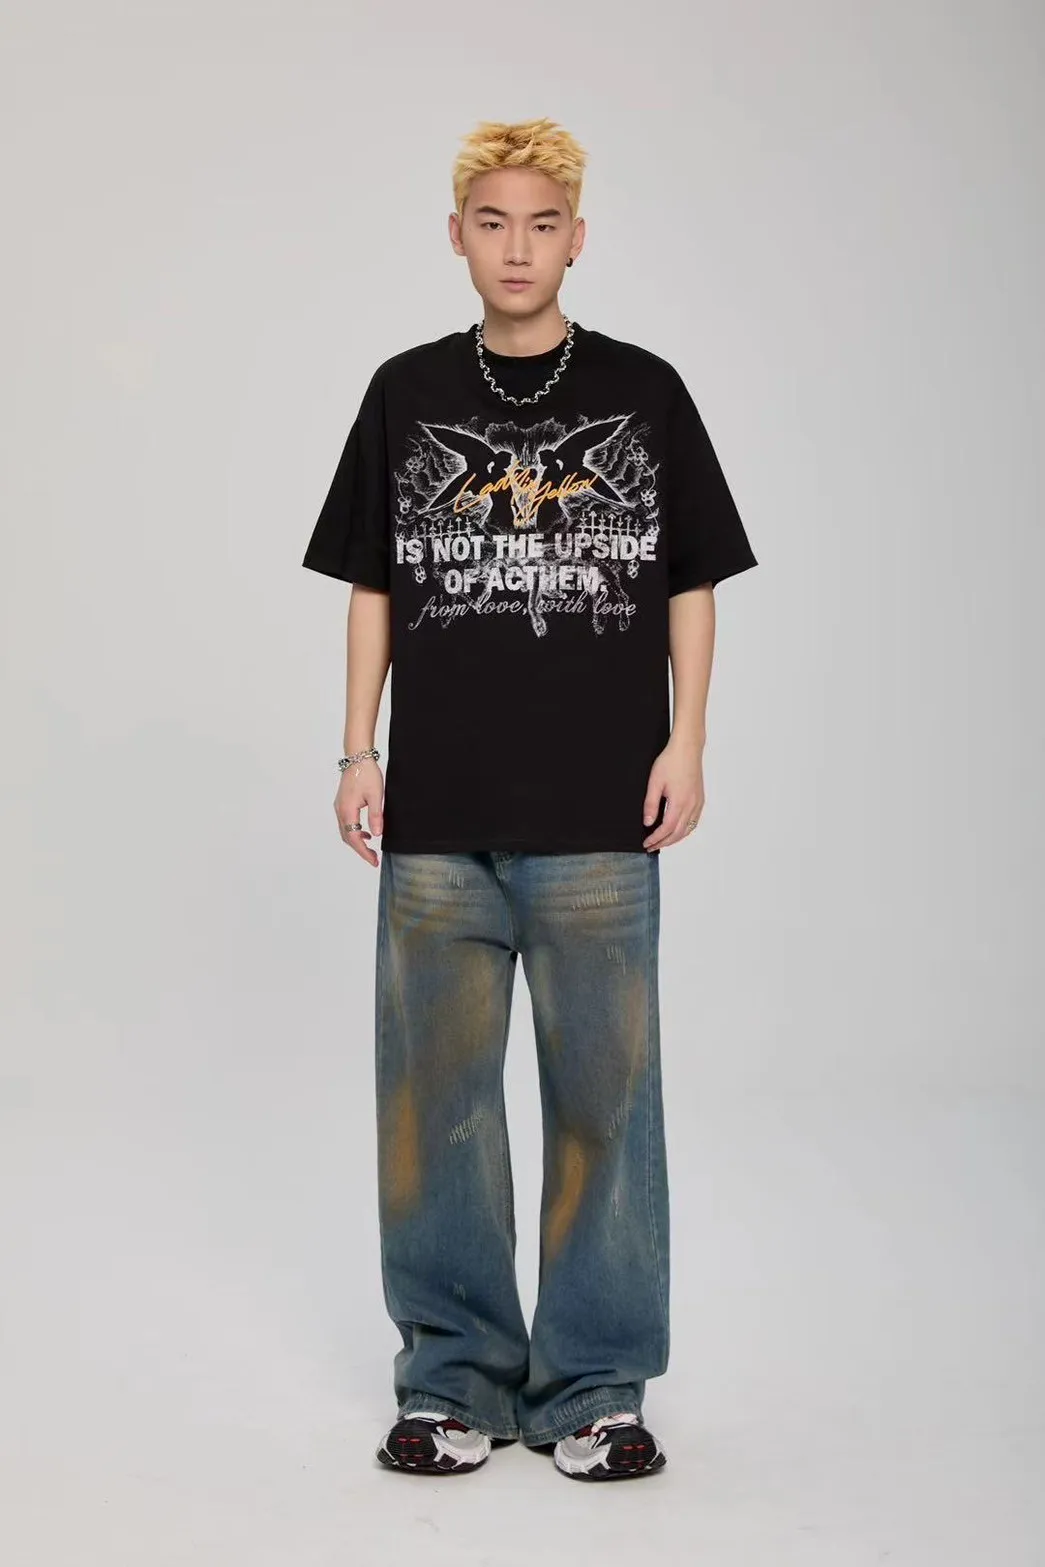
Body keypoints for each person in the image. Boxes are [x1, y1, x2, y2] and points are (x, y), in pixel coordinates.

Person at [301, 117, 758, 1480]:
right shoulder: (404, 392)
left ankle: (596, 1389)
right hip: (438, 818)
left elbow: (690, 581)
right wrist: (357, 750)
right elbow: (375, 585)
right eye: (493, 223)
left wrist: (688, 741)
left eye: (542, 224)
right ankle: (452, 1381)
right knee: (434, 1109)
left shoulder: (644, 391)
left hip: (600, 818)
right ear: (457, 236)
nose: (517, 248)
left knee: (605, 1106)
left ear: (578, 238)